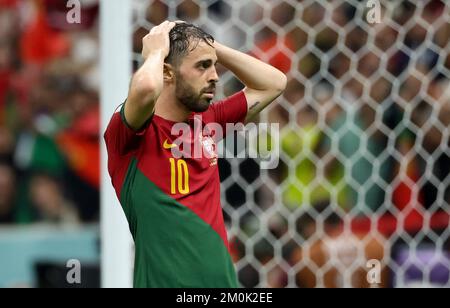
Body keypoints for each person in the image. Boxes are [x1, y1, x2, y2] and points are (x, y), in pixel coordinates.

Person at [104, 21, 286, 288]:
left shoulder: (208, 120)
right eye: (202, 66)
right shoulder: (130, 135)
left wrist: (211, 47)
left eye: (214, 66)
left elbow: (274, 83)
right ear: (167, 73)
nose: (214, 76)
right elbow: (145, 90)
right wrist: (155, 52)